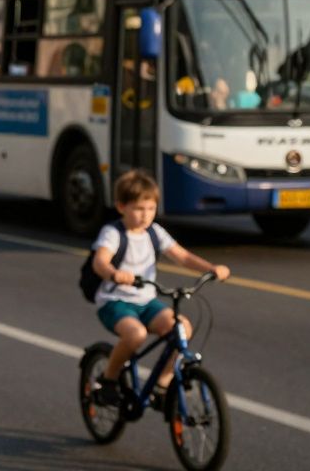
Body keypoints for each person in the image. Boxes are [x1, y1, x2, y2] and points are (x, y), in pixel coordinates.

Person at [91, 170, 231, 406]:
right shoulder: (113, 233)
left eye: (151, 208)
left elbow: (182, 256)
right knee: (136, 335)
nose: (145, 215)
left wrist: (212, 268)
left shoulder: (154, 232)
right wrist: (114, 274)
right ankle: (109, 380)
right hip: (115, 302)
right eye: (138, 209)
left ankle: (162, 383)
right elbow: (100, 261)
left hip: (146, 301)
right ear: (121, 206)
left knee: (182, 329)